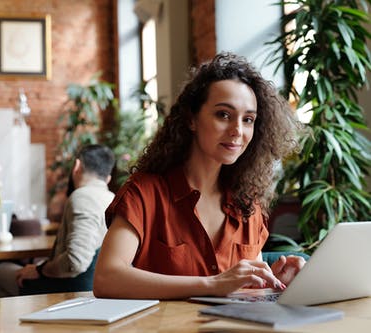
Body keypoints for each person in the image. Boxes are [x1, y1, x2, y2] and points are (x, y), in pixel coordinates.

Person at [93, 52, 307, 300]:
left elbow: (243, 291)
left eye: (248, 119)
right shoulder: (145, 193)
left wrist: (273, 284)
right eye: (223, 115)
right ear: (191, 119)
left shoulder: (249, 204)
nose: (237, 130)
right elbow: (106, 279)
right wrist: (212, 284)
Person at [0, 144, 116, 296]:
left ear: (76, 166)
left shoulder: (83, 197)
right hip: (98, 286)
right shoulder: (113, 199)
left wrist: (40, 270)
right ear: (108, 178)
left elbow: (75, 262)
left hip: (71, 290)